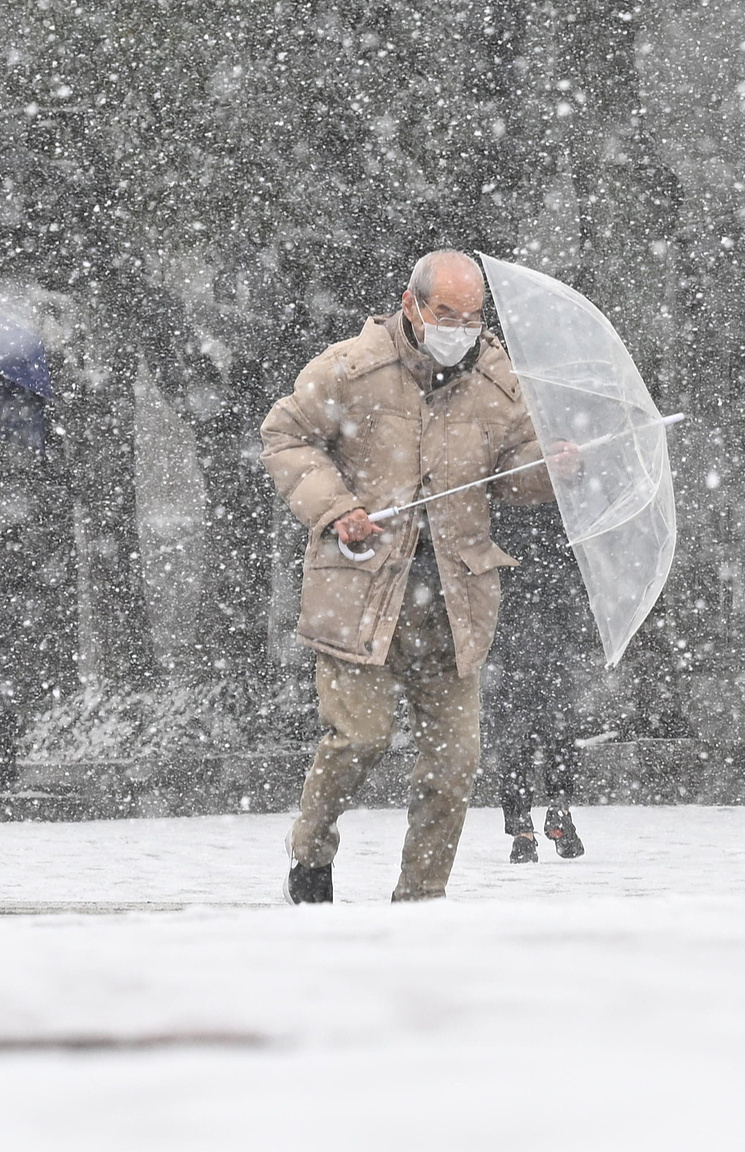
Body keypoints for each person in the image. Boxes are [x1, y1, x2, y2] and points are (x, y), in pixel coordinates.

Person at [260, 249, 579, 903]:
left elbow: (514, 472)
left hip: (455, 598)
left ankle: (421, 900)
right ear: (412, 305)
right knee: (359, 739)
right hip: (360, 591)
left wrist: (550, 466)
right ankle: (310, 853)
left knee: (454, 762)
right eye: (446, 314)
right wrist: (337, 508)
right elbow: (285, 435)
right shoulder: (353, 367)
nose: (461, 327)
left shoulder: (497, 379)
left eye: (473, 316)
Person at [485, 501, 591, 862]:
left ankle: (522, 828)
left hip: (511, 628)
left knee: (515, 733)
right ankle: (558, 808)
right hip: (548, 627)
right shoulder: (568, 508)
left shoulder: (503, 497)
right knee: (556, 725)